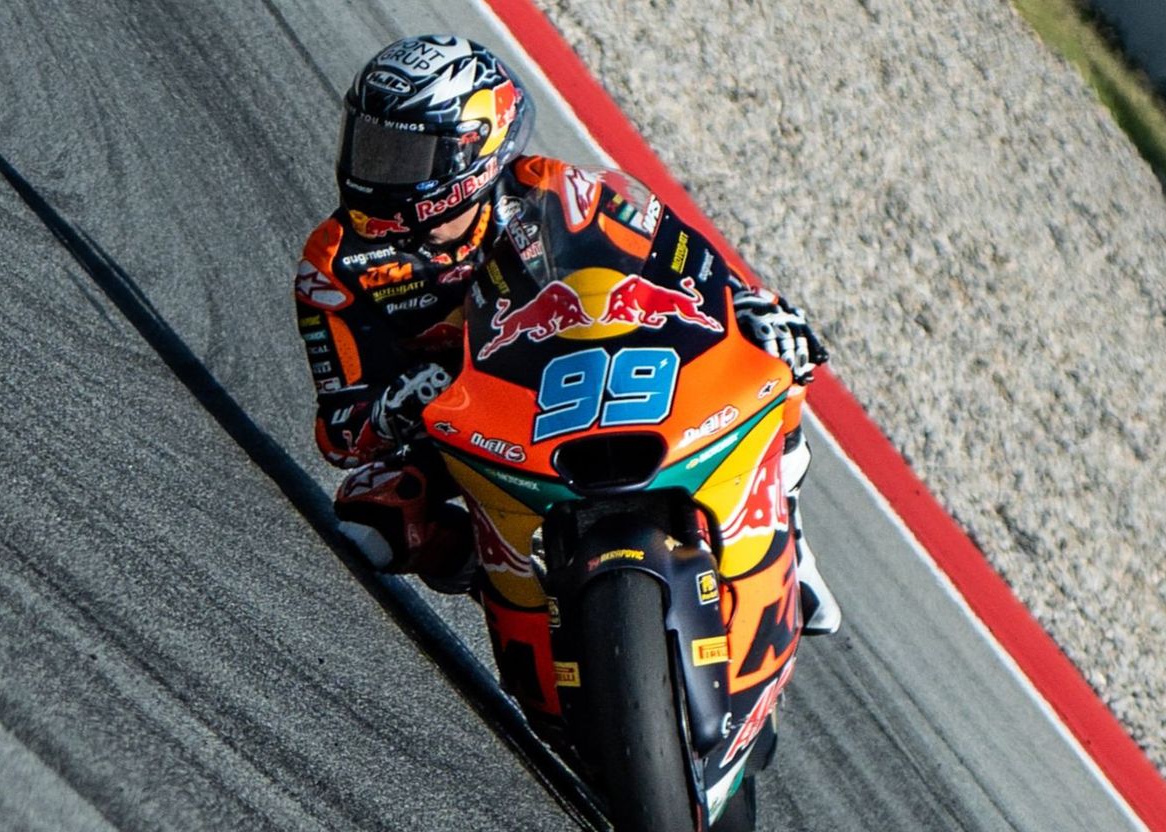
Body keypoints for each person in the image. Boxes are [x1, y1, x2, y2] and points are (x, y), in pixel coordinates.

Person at [295, 34, 840, 635]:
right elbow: (342, 435)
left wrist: (754, 304)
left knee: (774, 358)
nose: (377, 172)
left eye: (404, 156)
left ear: (472, 153)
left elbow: (686, 261)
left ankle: (790, 545)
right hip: (475, 425)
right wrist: (407, 399)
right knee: (371, 519)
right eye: (370, 146)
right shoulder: (337, 266)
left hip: (603, 374)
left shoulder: (564, 191)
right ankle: (511, 593)